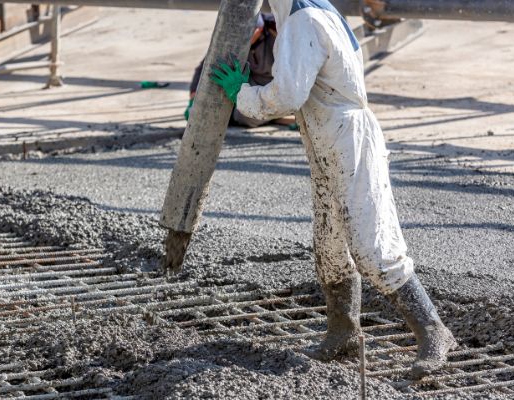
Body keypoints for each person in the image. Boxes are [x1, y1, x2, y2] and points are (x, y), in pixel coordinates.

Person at [210, 0, 456, 379]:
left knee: (371, 245)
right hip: (329, 139)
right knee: (330, 245)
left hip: (348, 141)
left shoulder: (304, 21)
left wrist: (243, 95)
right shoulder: (309, 13)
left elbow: (288, 97)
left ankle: (433, 331)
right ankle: (342, 331)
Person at [186, 13, 294, 128]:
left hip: (278, 83)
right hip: (249, 80)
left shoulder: (278, 30)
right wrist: (194, 98)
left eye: (252, 32)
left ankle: (274, 114)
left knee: (245, 117)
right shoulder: (233, 39)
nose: (247, 38)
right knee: (214, 98)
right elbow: (209, 64)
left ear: (261, 28)